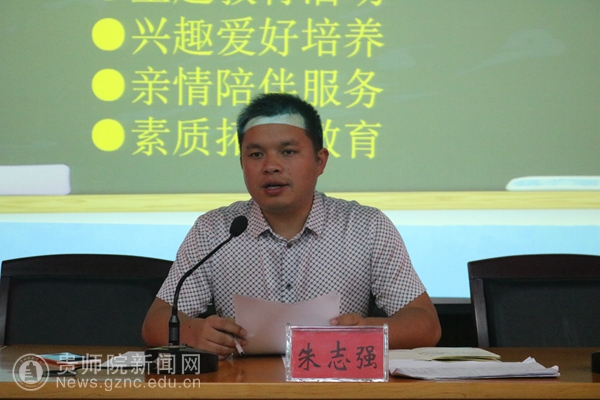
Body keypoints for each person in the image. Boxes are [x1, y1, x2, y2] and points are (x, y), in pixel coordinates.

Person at [142, 93, 441, 356]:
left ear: (320, 161)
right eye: (256, 154)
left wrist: (368, 331)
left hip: (336, 386)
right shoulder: (215, 229)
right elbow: (156, 322)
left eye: (288, 152)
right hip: (241, 387)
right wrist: (194, 333)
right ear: (242, 163)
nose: (271, 166)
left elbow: (425, 325)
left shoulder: (365, 227)